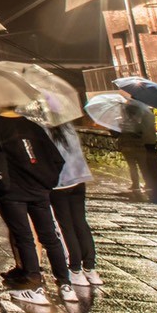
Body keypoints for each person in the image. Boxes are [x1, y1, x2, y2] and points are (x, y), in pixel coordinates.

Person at [0, 107, 73, 304]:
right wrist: (45, 180)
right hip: (39, 189)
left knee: (24, 236)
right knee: (50, 236)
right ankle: (65, 284)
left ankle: (34, 284)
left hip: (11, 191)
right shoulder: (33, 126)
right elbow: (56, 159)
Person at [47, 121, 101, 287]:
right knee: (80, 222)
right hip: (79, 180)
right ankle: (90, 268)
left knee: (66, 226)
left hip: (59, 184)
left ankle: (75, 268)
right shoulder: (68, 127)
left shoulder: (44, 131)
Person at [119, 94, 157, 204]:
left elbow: (118, 132)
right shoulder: (144, 113)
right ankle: (150, 184)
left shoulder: (124, 121)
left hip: (128, 146)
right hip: (142, 144)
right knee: (144, 165)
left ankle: (137, 183)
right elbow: (143, 130)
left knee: (133, 166)